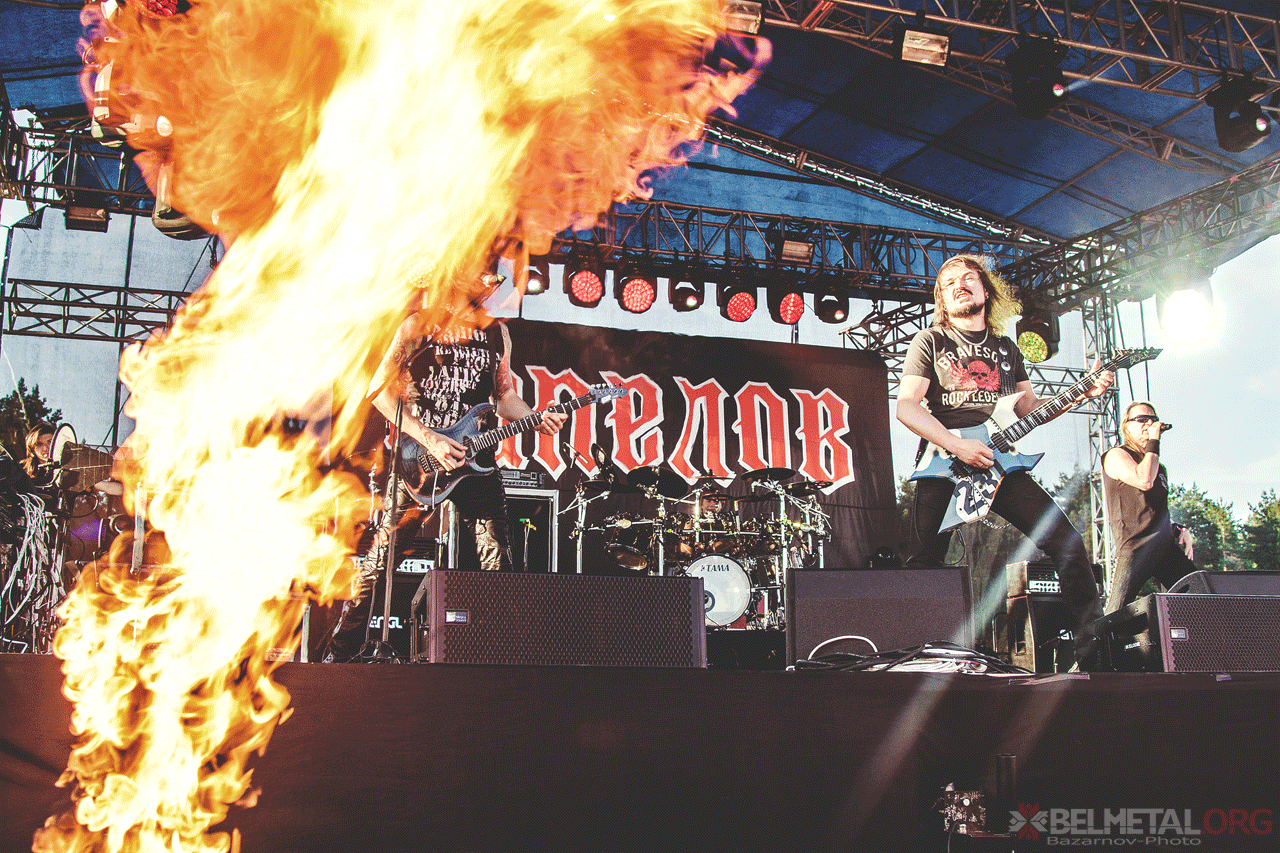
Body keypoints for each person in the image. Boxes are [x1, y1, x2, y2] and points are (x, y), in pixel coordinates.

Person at [323, 272, 566, 662]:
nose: (490, 279)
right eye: (482, 270)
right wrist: (430, 438)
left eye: (493, 274)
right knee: (382, 560)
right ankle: (337, 654)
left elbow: (504, 397)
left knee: (498, 558)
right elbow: (379, 391)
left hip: (475, 464)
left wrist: (535, 418)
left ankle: (502, 658)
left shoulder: (497, 332)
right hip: (419, 462)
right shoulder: (419, 325)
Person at [896, 254, 1114, 668]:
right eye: (949, 283)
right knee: (924, 564)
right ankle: (917, 662)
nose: (959, 285)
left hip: (1000, 462)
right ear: (942, 300)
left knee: (1067, 543)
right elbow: (906, 407)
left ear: (986, 289)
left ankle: (1094, 658)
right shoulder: (931, 341)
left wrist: (1082, 392)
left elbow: (1029, 408)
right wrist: (957, 446)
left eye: (968, 278)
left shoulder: (1006, 348)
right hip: (947, 461)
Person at [1100, 400, 1195, 613]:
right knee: (1116, 613)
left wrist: (1178, 529)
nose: (1149, 423)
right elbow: (1143, 481)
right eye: (1141, 419)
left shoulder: (1159, 467)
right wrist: (1154, 441)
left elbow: (1153, 511)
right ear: (1126, 427)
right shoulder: (1116, 455)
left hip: (1164, 547)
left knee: (1200, 599)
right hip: (1136, 548)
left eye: (1153, 419)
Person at [21, 423, 56, 488]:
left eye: (49, 442)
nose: (45, 448)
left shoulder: (71, 467)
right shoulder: (22, 471)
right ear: (32, 449)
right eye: (39, 444)